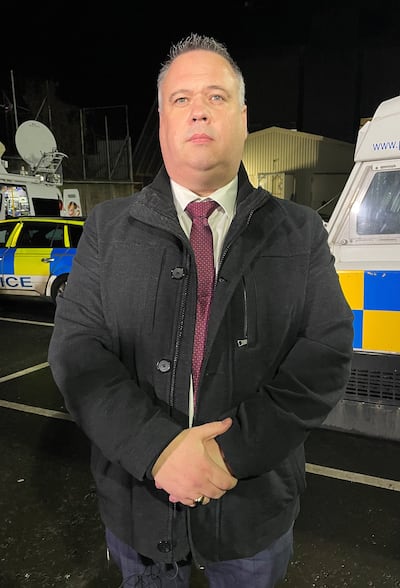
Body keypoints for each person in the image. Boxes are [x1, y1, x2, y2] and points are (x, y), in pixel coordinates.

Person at [48, 33, 354, 588]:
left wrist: (228, 455)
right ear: (162, 121)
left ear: (242, 117)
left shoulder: (298, 230)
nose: (198, 113)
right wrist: (158, 449)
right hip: (139, 503)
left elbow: (324, 353)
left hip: (252, 506)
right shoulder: (108, 229)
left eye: (216, 97)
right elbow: (77, 351)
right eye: (181, 99)